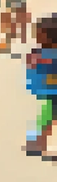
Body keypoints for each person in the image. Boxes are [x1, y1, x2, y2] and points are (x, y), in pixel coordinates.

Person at [25, 15, 57, 158]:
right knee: (46, 116)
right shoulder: (41, 52)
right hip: (51, 91)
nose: (37, 40)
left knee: (47, 116)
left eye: (40, 37)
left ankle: (39, 141)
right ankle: (39, 141)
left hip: (52, 89)